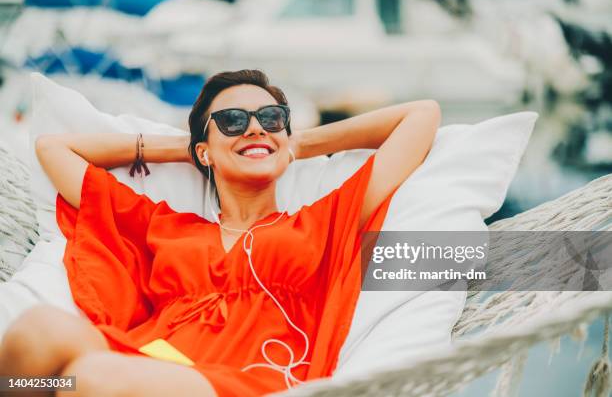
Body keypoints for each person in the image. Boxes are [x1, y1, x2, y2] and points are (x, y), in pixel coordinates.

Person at [0, 69, 440, 397]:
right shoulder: (166, 227)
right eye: (232, 120)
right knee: (37, 335)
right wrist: (188, 147)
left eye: (270, 117)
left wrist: (293, 144)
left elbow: (421, 116)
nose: (254, 127)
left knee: (91, 379)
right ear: (204, 152)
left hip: (246, 381)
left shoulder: (321, 222)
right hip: (148, 358)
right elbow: (53, 149)